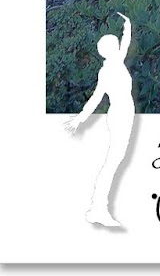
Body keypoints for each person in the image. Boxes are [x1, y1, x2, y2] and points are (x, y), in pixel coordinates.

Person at [65, 13, 134, 227]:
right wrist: (80, 119)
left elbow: (125, 44)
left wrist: (127, 26)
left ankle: (98, 208)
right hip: (120, 114)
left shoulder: (115, 62)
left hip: (125, 112)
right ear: (110, 50)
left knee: (116, 160)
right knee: (113, 161)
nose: (118, 46)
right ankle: (98, 209)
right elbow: (96, 98)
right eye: (115, 44)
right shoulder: (108, 70)